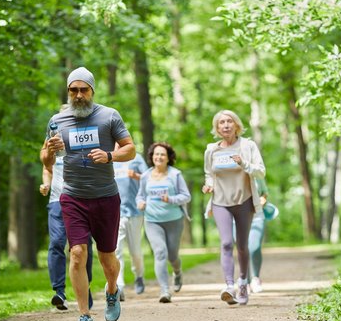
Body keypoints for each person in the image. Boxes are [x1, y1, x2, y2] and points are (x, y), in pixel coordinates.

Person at [41, 67, 136, 321]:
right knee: (77, 253)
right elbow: (47, 161)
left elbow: (130, 149)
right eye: (74, 90)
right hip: (72, 196)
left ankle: (112, 290)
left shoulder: (109, 116)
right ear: (68, 92)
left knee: (107, 259)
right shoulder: (57, 121)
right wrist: (48, 152)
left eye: (84, 89)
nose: (79, 95)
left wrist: (109, 156)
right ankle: (84, 315)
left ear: (92, 90)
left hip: (105, 196)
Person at [202, 110, 265, 305]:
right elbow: (208, 173)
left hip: (244, 200)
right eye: (222, 122)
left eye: (230, 121)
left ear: (236, 125)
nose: (226, 125)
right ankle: (229, 286)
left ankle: (243, 282)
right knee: (226, 243)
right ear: (217, 128)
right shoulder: (211, 150)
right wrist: (209, 185)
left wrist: (244, 163)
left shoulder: (248, 146)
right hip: (220, 201)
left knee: (242, 245)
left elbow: (261, 171)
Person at [136, 142, 191, 303]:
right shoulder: (146, 176)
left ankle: (177, 272)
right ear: (152, 157)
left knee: (172, 255)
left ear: (168, 158)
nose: (159, 157)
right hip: (152, 221)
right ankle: (164, 290)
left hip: (174, 220)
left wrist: (171, 199)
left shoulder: (175, 175)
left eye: (162, 155)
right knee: (160, 252)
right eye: (156, 154)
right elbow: (140, 195)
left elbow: (186, 196)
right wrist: (140, 202)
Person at [39, 153, 94, 311]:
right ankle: (60, 292)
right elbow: (47, 168)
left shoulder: (82, 143)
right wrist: (46, 185)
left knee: (83, 247)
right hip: (57, 202)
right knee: (56, 242)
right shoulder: (53, 143)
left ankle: (85, 286)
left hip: (80, 201)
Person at [113, 146, 148, 300]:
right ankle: (119, 285)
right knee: (116, 251)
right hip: (114, 212)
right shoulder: (110, 159)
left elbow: (150, 178)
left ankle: (139, 275)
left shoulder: (136, 158)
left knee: (135, 251)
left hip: (134, 212)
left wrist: (136, 176)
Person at [248, 177, 268, 293]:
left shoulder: (256, 174)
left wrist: (263, 199)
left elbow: (264, 193)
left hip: (257, 216)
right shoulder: (232, 172)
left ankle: (255, 278)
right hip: (237, 219)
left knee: (254, 247)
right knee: (243, 249)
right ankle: (244, 281)